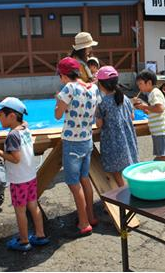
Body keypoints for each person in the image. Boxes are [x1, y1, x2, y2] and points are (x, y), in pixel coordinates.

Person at [0, 97, 49, 251]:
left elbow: (15, 158)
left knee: (20, 211)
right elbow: (24, 126)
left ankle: (23, 241)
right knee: (33, 206)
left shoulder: (12, 136)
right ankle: (40, 235)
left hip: (19, 180)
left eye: (0, 115)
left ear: (12, 116)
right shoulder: (25, 128)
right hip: (30, 176)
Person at [54, 57, 99, 236]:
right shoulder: (93, 87)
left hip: (72, 141)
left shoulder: (69, 88)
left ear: (64, 75)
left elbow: (58, 114)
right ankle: (90, 215)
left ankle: (83, 222)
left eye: (60, 76)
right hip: (86, 139)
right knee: (84, 178)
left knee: (73, 183)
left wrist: (58, 100)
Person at [95, 66, 138, 186]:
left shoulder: (102, 103)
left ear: (101, 85)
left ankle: (124, 193)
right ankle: (132, 189)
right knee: (129, 169)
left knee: (116, 172)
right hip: (128, 140)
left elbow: (99, 124)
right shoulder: (125, 98)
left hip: (113, 143)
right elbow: (132, 117)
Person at [134, 70, 165, 161]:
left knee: (163, 157)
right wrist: (143, 108)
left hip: (161, 131)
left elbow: (160, 108)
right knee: (161, 156)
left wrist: (144, 106)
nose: (139, 87)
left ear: (149, 83)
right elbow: (154, 111)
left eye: (140, 84)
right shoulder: (152, 93)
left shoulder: (154, 93)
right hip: (158, 131)